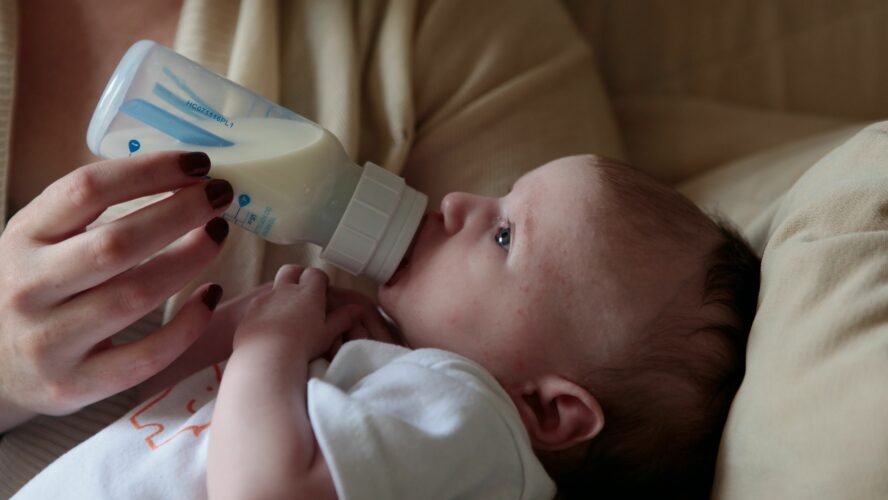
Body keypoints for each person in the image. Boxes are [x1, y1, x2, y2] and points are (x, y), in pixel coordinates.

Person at [11, 155, 761, 499]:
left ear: (545, 409)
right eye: (501, 198)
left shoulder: (472, 422)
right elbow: (181, 420)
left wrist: (269, 348)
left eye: (504, 236)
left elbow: (258, 489)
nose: (461, 201)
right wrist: (250, 336)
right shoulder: (403, 403)